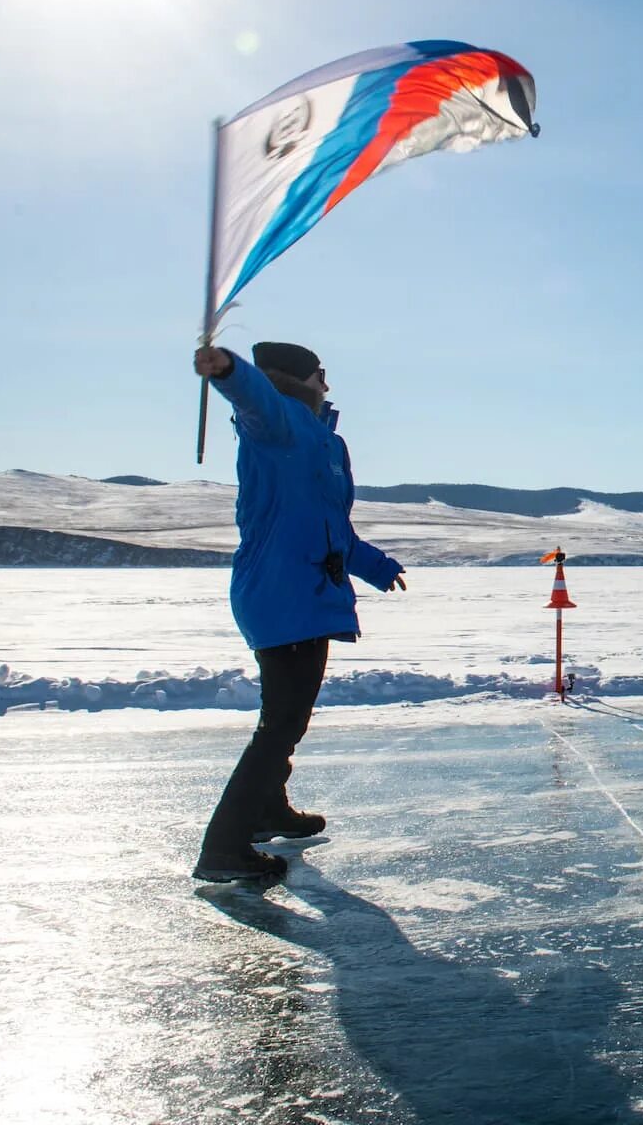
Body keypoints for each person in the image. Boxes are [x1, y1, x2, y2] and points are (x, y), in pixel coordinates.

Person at [189, 341, 407, 882]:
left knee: (286, 718)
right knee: (281, 723)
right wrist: (230, 371)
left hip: (305, 590)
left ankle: (268, 810)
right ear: (295, 379)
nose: (327, 385)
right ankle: (223, 850)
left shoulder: (323, 441)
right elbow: (255, 399)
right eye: (320, 375)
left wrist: (375, 566)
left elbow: (331, 526)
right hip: (282, 592)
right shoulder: (279, 423)